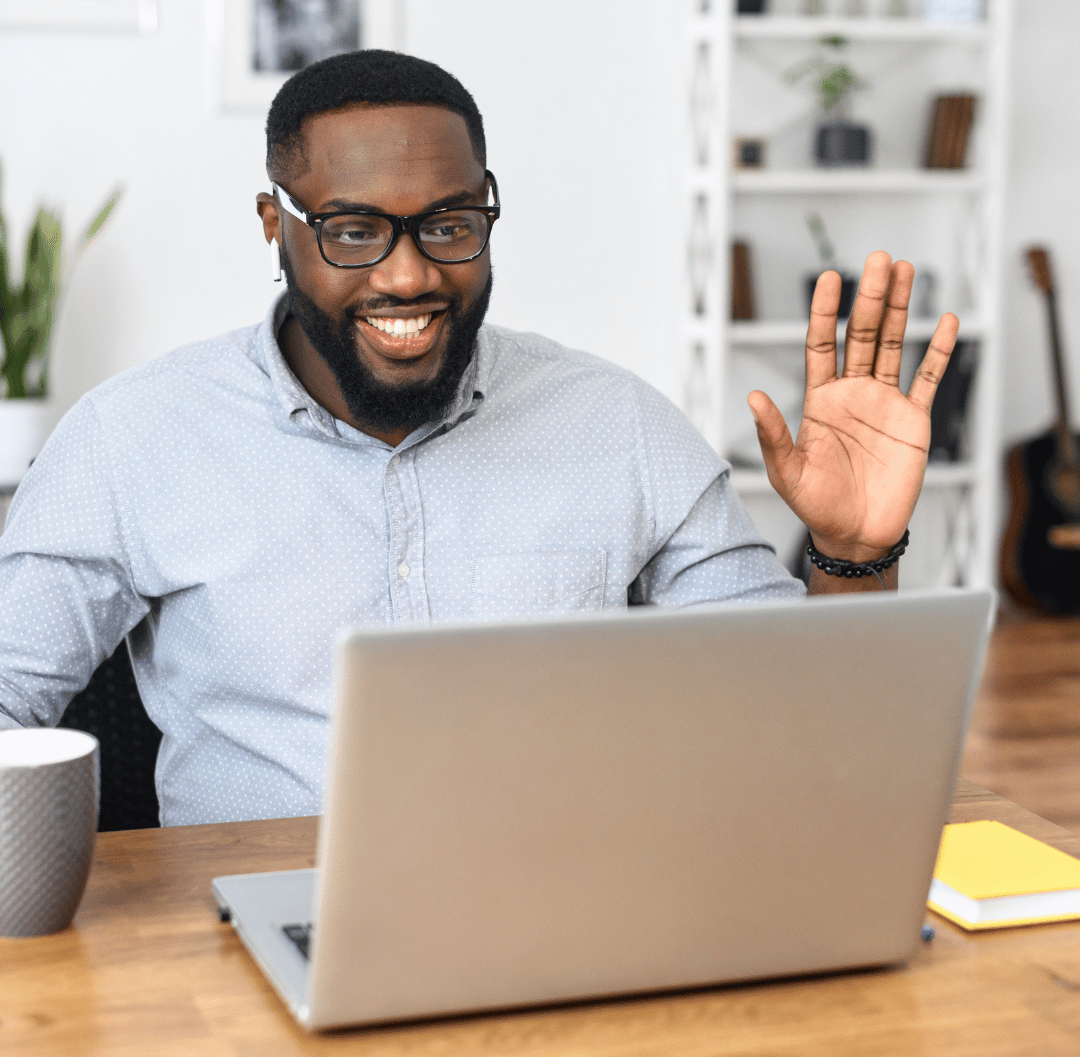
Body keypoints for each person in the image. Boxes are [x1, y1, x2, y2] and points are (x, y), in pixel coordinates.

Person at [0, 51, 957, 826]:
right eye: (354, 230)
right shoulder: (132, 439)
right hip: (248, 926)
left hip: (577, 915)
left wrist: (854, 552)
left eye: (449, 224)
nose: (409, 275)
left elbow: (803, 720)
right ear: (274, 225)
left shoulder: (616, 423)